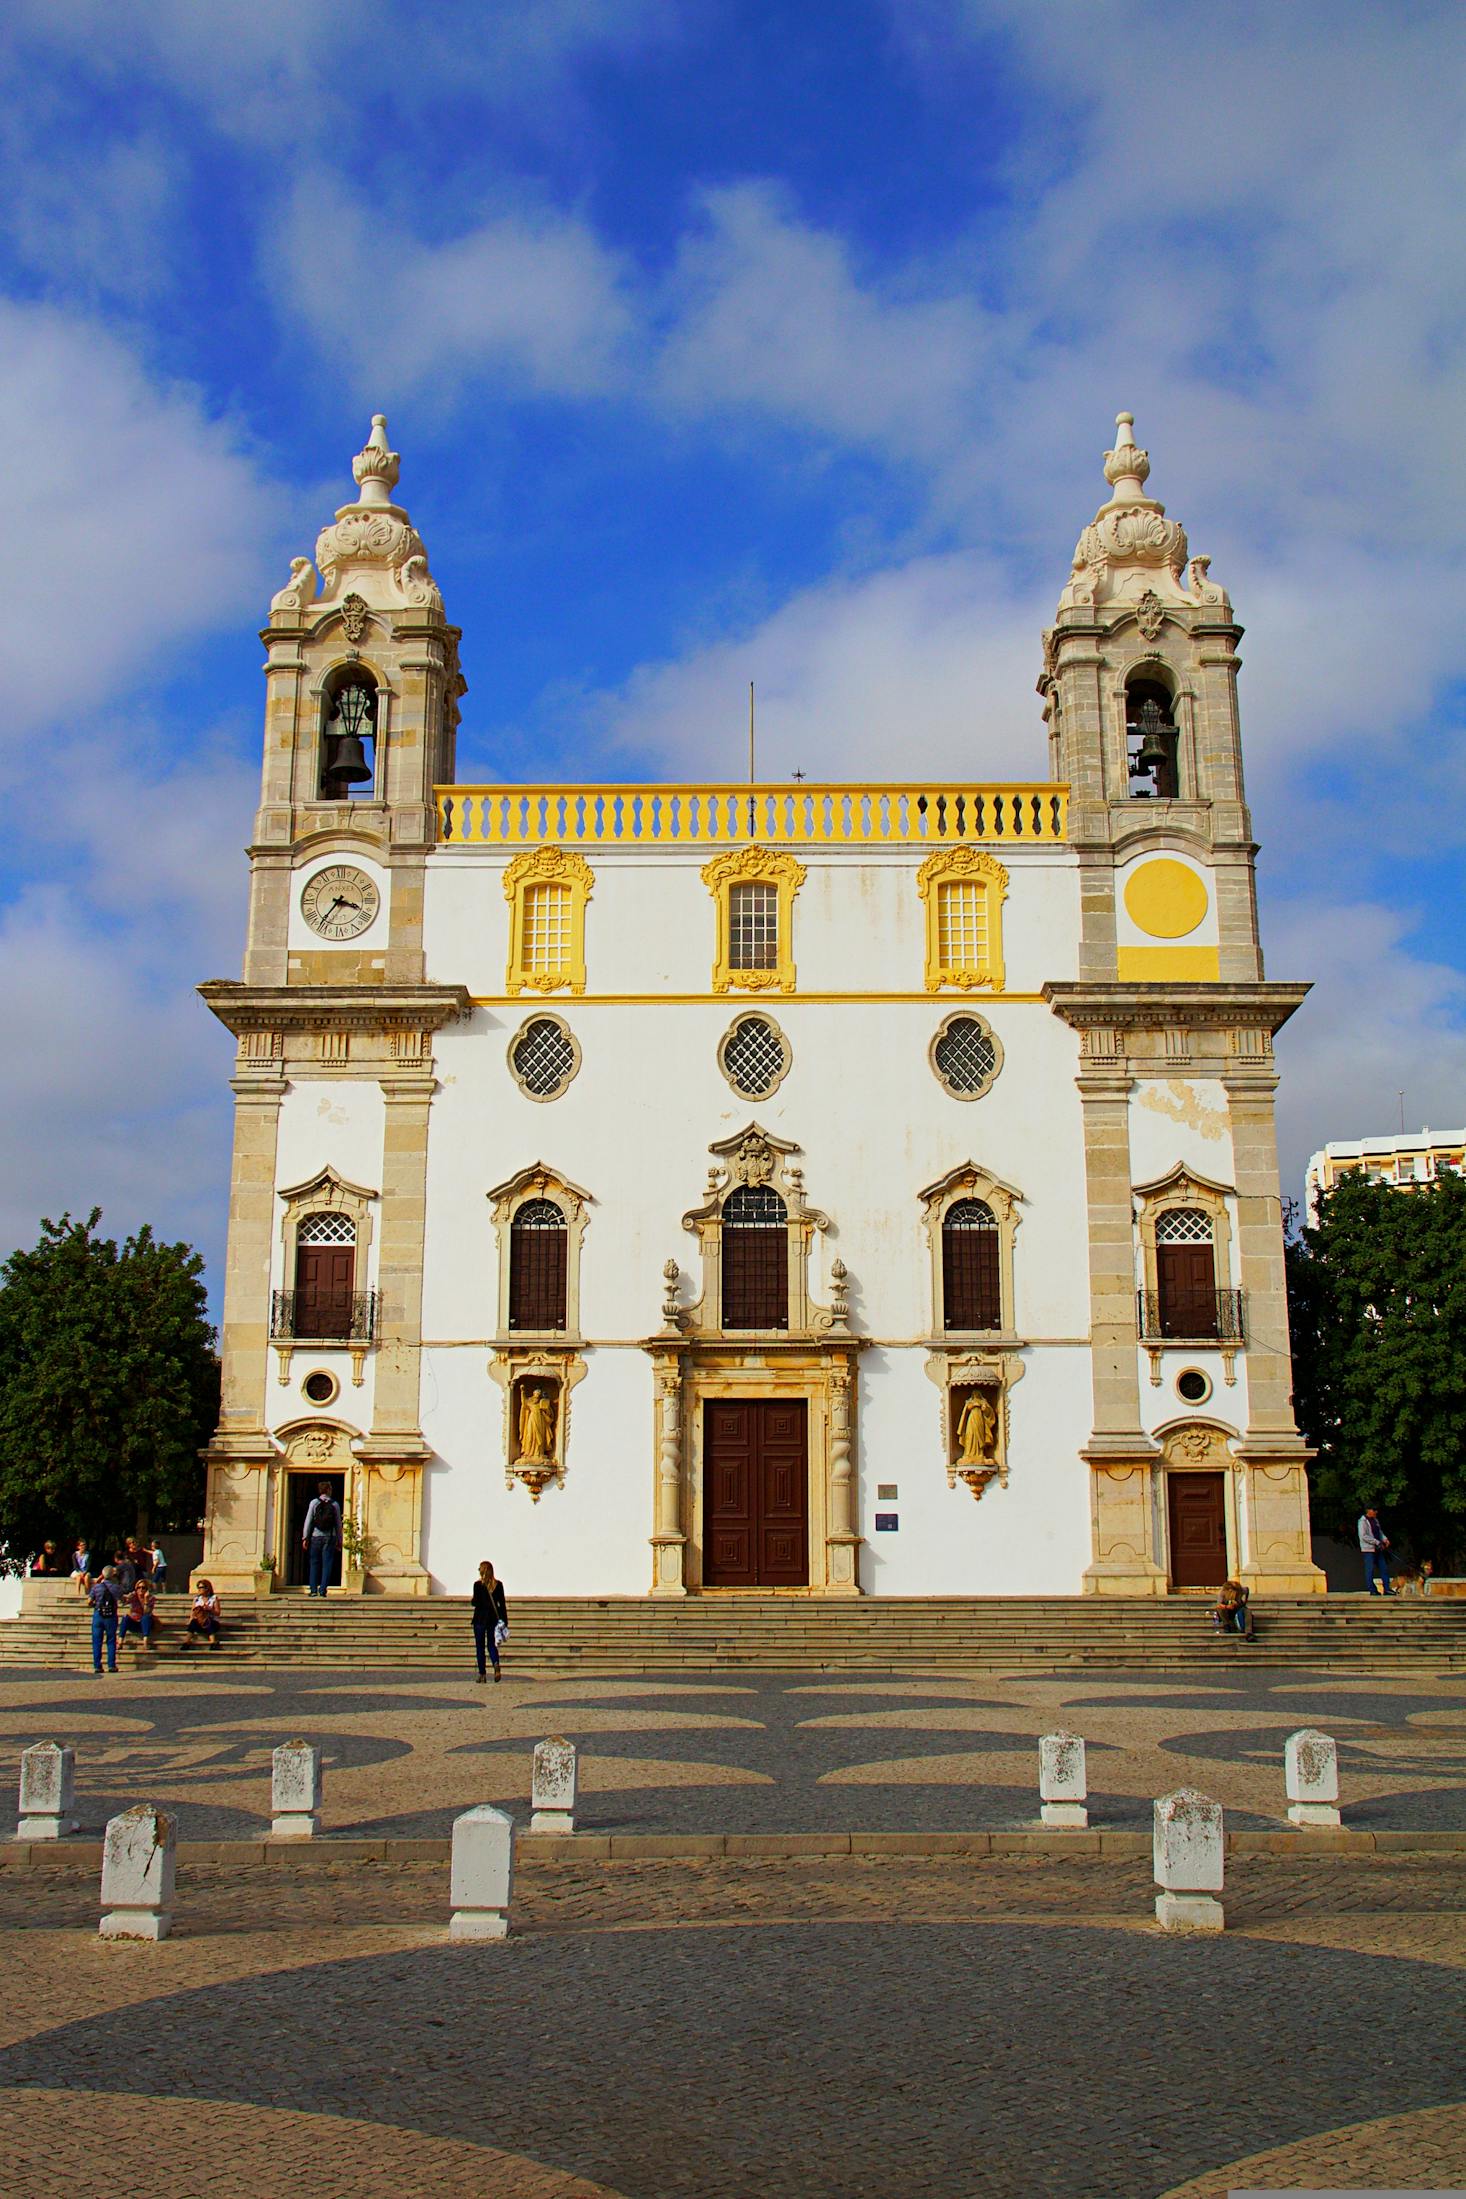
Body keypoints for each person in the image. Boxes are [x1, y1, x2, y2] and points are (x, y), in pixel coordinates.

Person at [301, 1480, 342, 1597]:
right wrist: (340, 1540)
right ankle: (323, 1590)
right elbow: (338, 1524)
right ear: (329, 1490)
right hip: (330, 1537)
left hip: (315, 1537)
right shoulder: (335, 1504)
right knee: (327, 1564)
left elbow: (308, 1521)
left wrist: (305, 1538)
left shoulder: (314, 1503)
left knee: (314, 1563)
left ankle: (313, 1590)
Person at [471, 1560, 508, 1684]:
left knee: (480, 1647)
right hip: (492, 1619)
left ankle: (482, 1674)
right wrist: (504, 1621)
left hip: (480, 1619)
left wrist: (473, 1600)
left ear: (482, 1571)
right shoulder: (498, 1585)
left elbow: (475, 1602)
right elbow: (502, 1605)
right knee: (491, 1645)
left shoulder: (477, 1585)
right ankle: (496, 1663)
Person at [90, 1565, 121, 1674]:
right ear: (113, 1575)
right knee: (111, 1640)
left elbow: (89, 1601)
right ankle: (111, 1665)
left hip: (98, 1614)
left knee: (97, 1641)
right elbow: (122, 1599)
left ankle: (97, 1666)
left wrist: (94, 1604)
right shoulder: (116, 1587)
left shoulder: (96, 1587)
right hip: (111, 1615)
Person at [117, 1575, 157, 1655]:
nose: (141, 1589)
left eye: (143, 1587)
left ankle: (145, 1642)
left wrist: (145, 1600)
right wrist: (126, 1597)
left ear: (147, 1589)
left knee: (145, 1617)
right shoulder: (134, 1596)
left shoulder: (151, 1598)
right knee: (125, 1617)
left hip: (146, 1623)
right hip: (134, 1622)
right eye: (139, 1587)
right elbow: (122, 1603)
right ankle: (120, 1641)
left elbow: (146, 1612)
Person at [1359, 1507, 1393, 1596]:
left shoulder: (1375, 1520)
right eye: (1374, 1510)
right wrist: (1376, 1542)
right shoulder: (1362, 1522)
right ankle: (1372, 1589)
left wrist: (1385, 1539)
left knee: (1384, 1568)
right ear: (1368, 1510)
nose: (1375, 1512)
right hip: (1368, 1549)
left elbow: (1379, 1532)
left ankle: (1387, 1588)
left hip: (1378, 1549)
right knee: (1370, 1570)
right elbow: (1364, 1536)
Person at [182, 1580, 222, 1649]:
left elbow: (218, 1613)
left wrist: (209, 1609)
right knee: (193, 1622)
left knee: (208, 1621)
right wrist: (191, 1619)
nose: (199, 1589)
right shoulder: (197, 1599)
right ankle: (186, 1642)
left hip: (211, 1621)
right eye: (198, 1587)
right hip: (200, 1621)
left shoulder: (214, 1598)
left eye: (201, 1587)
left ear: (207, 1588)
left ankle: (213, 1642)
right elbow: (193, 1611)